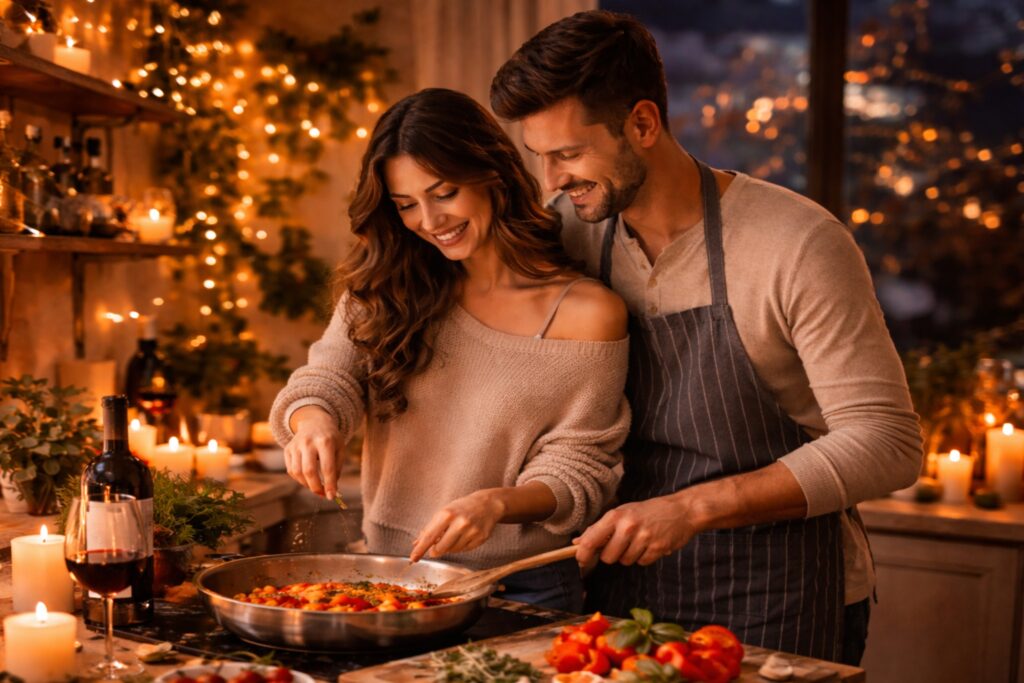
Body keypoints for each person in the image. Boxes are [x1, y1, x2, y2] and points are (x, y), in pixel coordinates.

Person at [491, 10, 922, 662]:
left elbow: (888, 444)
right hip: (622, 592)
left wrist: (689, 510)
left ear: (642, 124)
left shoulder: (796, 242)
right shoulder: (569, 234)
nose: (551, 181)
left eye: (569, 154)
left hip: (781, 591)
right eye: (539, 158)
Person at [269, 88, 630, 612]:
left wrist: (496, 504)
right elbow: (327, 379)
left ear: (492, 175)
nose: (429, 221)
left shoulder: (589, 312)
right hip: (395, 578)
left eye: (443, 193)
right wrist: (314, 420)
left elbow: (583, 464)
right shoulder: (388, 286)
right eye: (406, 205)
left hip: (523, 585)